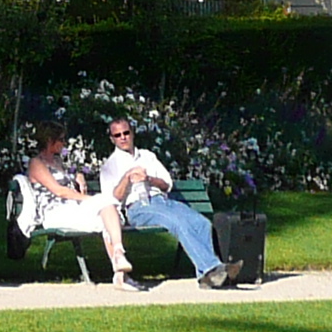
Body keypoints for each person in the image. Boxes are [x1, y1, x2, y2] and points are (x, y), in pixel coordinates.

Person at [98, 117, 236, 290]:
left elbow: (166, 184)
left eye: (126, 133)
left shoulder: (148, 156)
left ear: (132, 133)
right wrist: (127, 178)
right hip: (138, 207)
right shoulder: (110, 165)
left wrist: (148, 178)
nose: (123, 137)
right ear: (112, 139)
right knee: (178, 223)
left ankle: (206, 277)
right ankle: (212, 269)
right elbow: (112, 198)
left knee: (201, 223)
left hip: (162, 201)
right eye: (118, 135)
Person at [22, 134, 142, 288]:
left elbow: (68, 182)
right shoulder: (36, 164)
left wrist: (78, 175)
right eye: (61, 139)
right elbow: (59, 191)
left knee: (106, 214)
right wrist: (88, 199)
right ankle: (119, 262)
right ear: (49, 141)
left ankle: (119, 270)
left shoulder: (58, 161)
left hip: (72, 209)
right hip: (54, 212)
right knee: (105, 206)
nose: (64, 143)